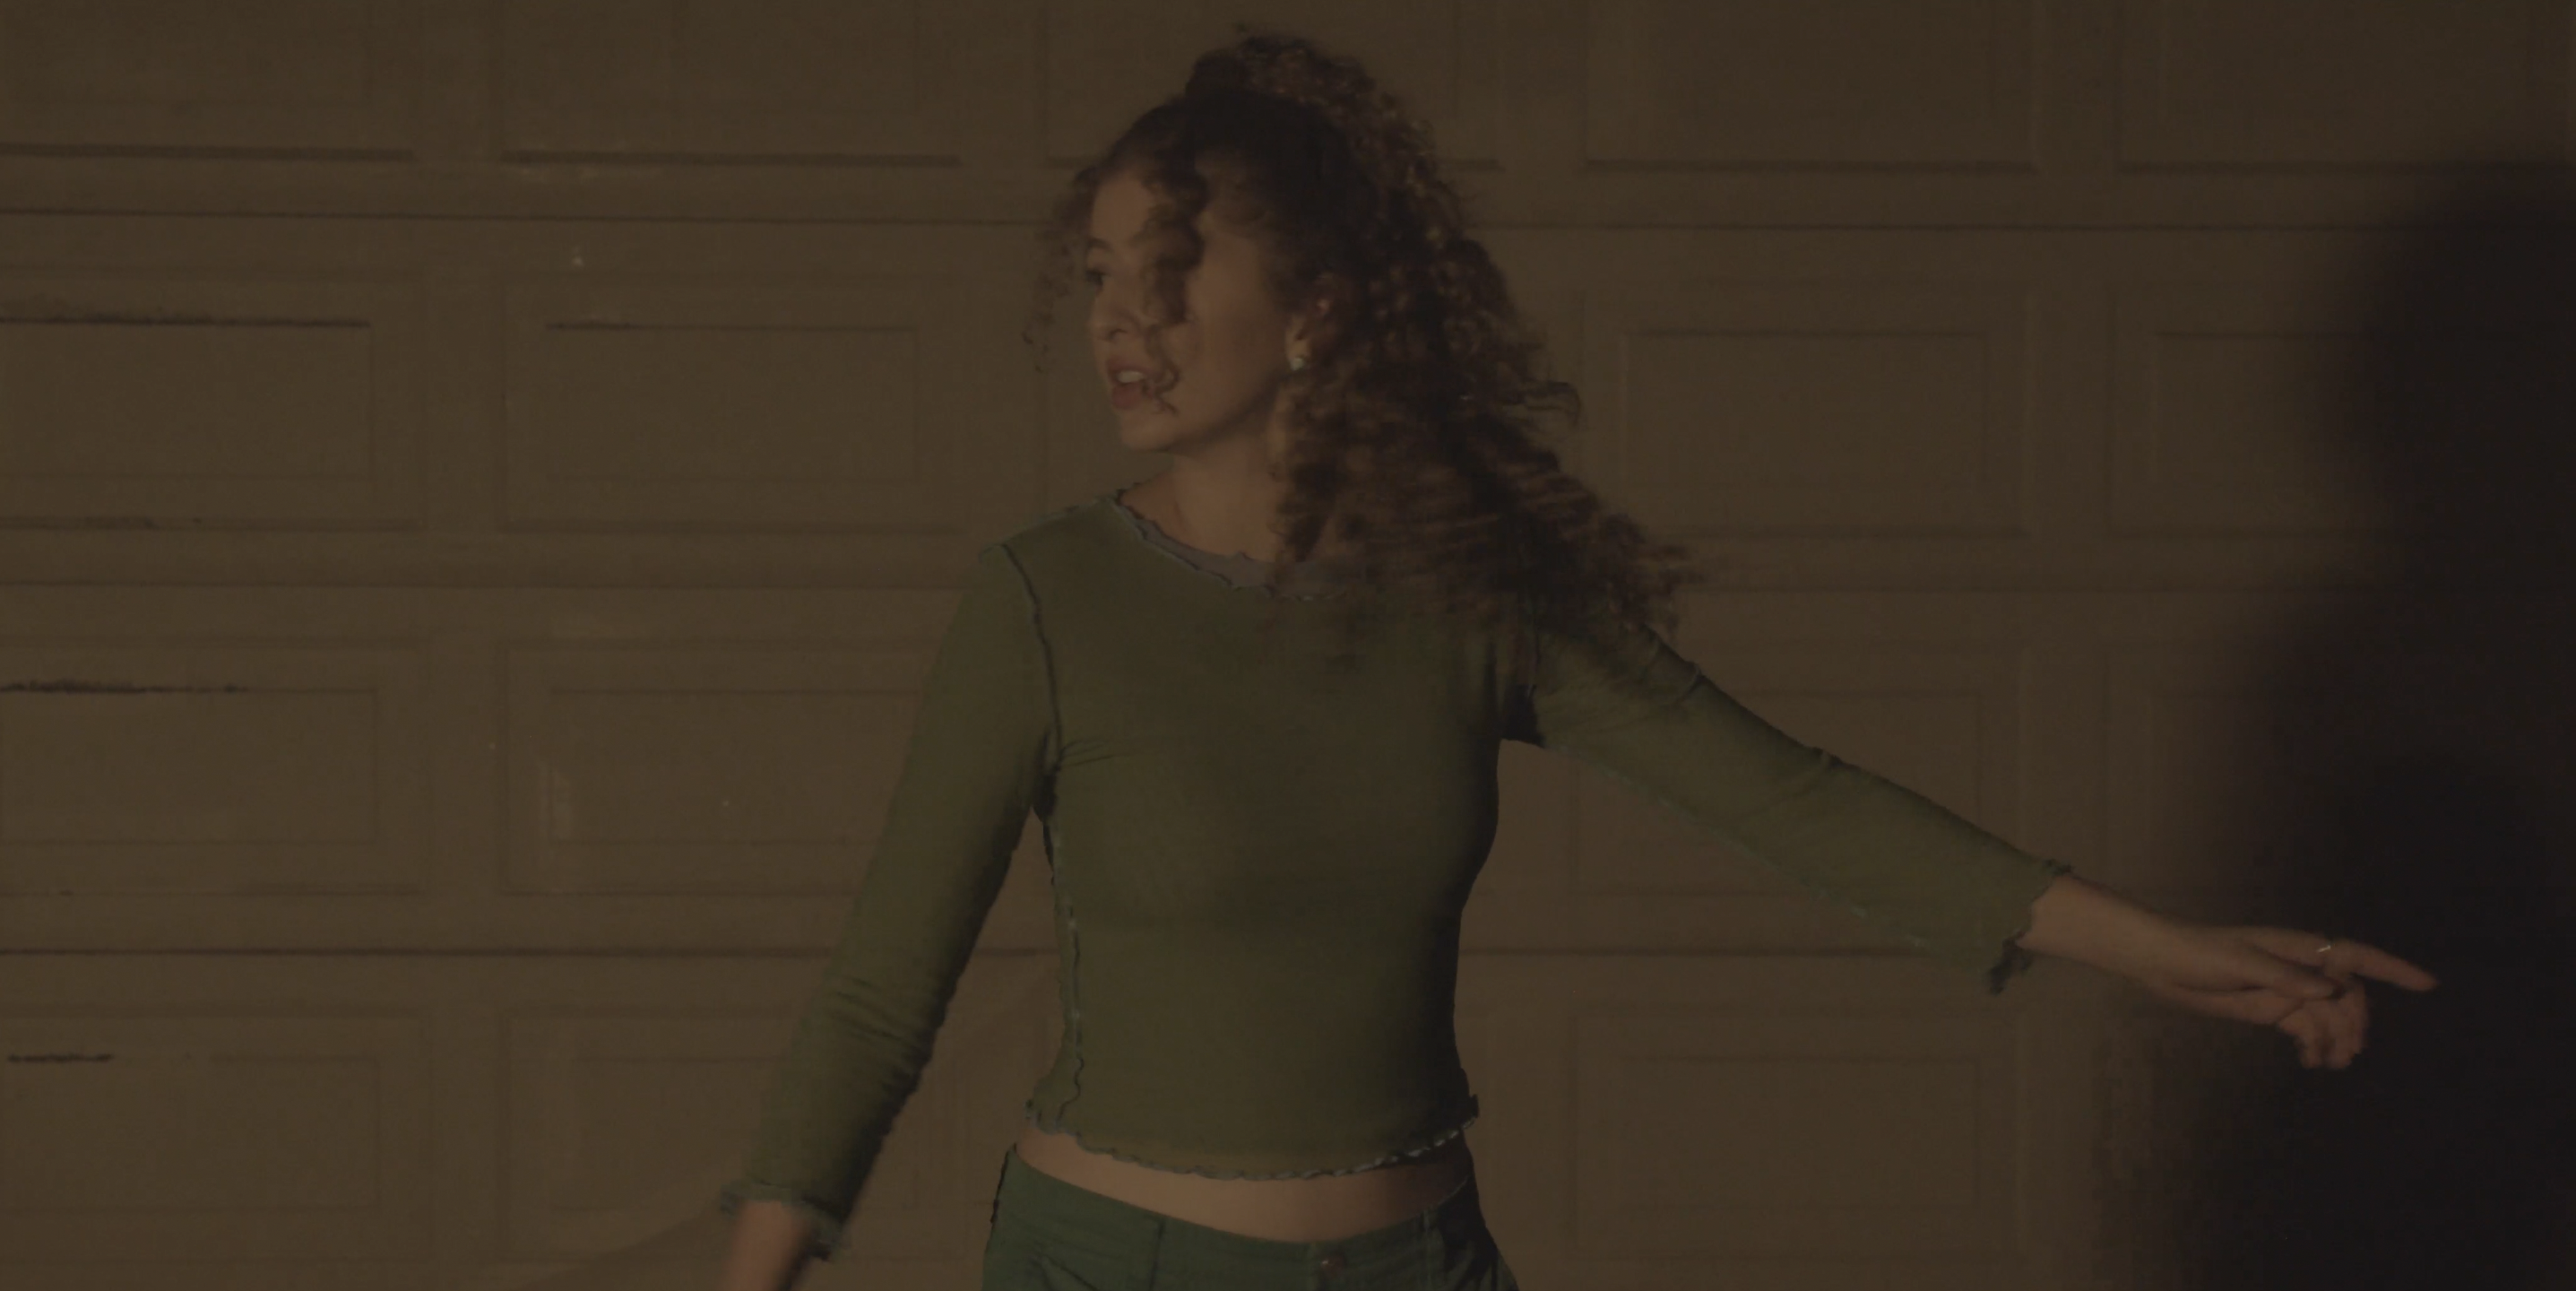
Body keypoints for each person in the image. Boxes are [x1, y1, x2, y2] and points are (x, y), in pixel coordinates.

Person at [713, 25, 2441, 1291]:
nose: (1116, 320)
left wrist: (2166, 951)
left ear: (1314, 312)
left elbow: (1792, 800)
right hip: (1118, 1264)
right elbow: (880, 993)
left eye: (1166, 274)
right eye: (1098, 275)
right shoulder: (1046, 603)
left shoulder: (1471, 595)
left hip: (1420, 1258)